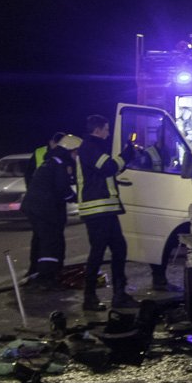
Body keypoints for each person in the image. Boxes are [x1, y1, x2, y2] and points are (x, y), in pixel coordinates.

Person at [76, 114, 138, 311]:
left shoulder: (93, 147)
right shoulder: (89, 146)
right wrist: (127, 154)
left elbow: (108, 172)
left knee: (119, 249)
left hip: (105, 209)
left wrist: (123, 160)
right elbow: (109, 167)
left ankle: (119, 294)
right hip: (97, 209)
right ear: (98, 130)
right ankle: (90, 297)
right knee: (98, 253)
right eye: (107, 128)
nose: (109, 132)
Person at [22, 134, 81, 289]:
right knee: (51, 241)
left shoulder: (51, 162)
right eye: (76, 152)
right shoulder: (60, 164)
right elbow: (63, 189)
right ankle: (46, 278)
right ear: (69, 151)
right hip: (44, 209)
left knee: (43, 240)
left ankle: (39, 273)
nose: (77, 156)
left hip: (37, 207)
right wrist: (77, 198)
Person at [24, 131, 66, 277]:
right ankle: (39, 271)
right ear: (51, 142)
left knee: (51, 238)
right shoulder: (41, 154)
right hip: (44, 205)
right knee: (44, 240)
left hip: (51, 204)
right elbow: (28, 175)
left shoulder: (61, 159)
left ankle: (49, 270)